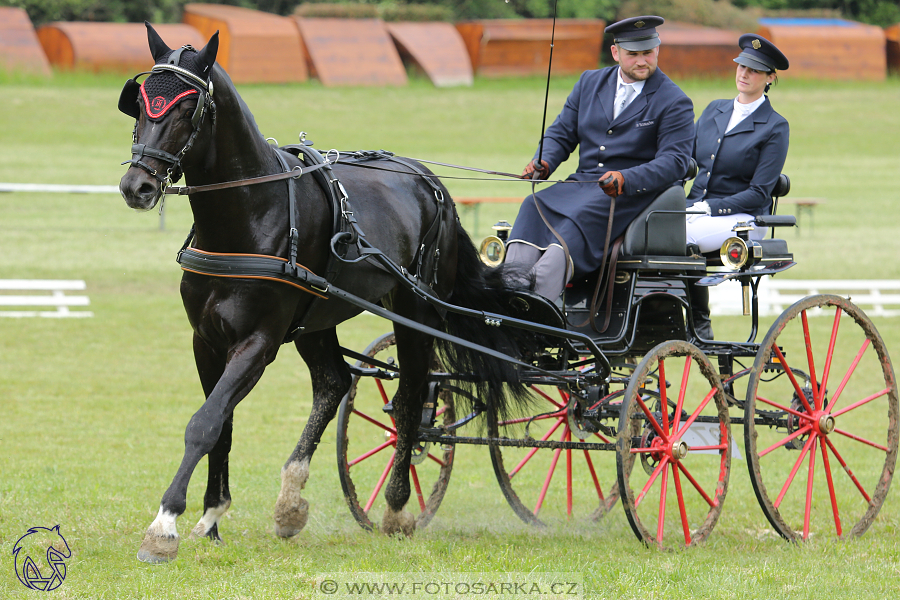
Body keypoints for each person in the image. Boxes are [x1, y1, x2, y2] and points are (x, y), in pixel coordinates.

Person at [504, 15, 695, 302]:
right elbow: (561, 133)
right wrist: (543, 161)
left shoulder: (674, 101)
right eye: (633, 55)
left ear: (658, 49)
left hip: (628, 194)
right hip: (582, 185)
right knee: (532, 204)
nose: (642, 61)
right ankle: (509, 287)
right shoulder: (589, 82)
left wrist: (627, 178)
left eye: (648, 53)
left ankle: (539, 309)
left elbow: (676, 161)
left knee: (570, 227)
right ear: (616, 52)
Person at [686, 34, 790, 339]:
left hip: (742, 220)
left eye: (755, 70)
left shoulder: (774, 126)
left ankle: (700, 324)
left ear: (770, 78)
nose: (744, 74)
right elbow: (685, 162)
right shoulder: (713, 110)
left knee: (678, 236)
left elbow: (759, 192)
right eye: (742, 66)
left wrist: (708, 207)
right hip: (694, 212)